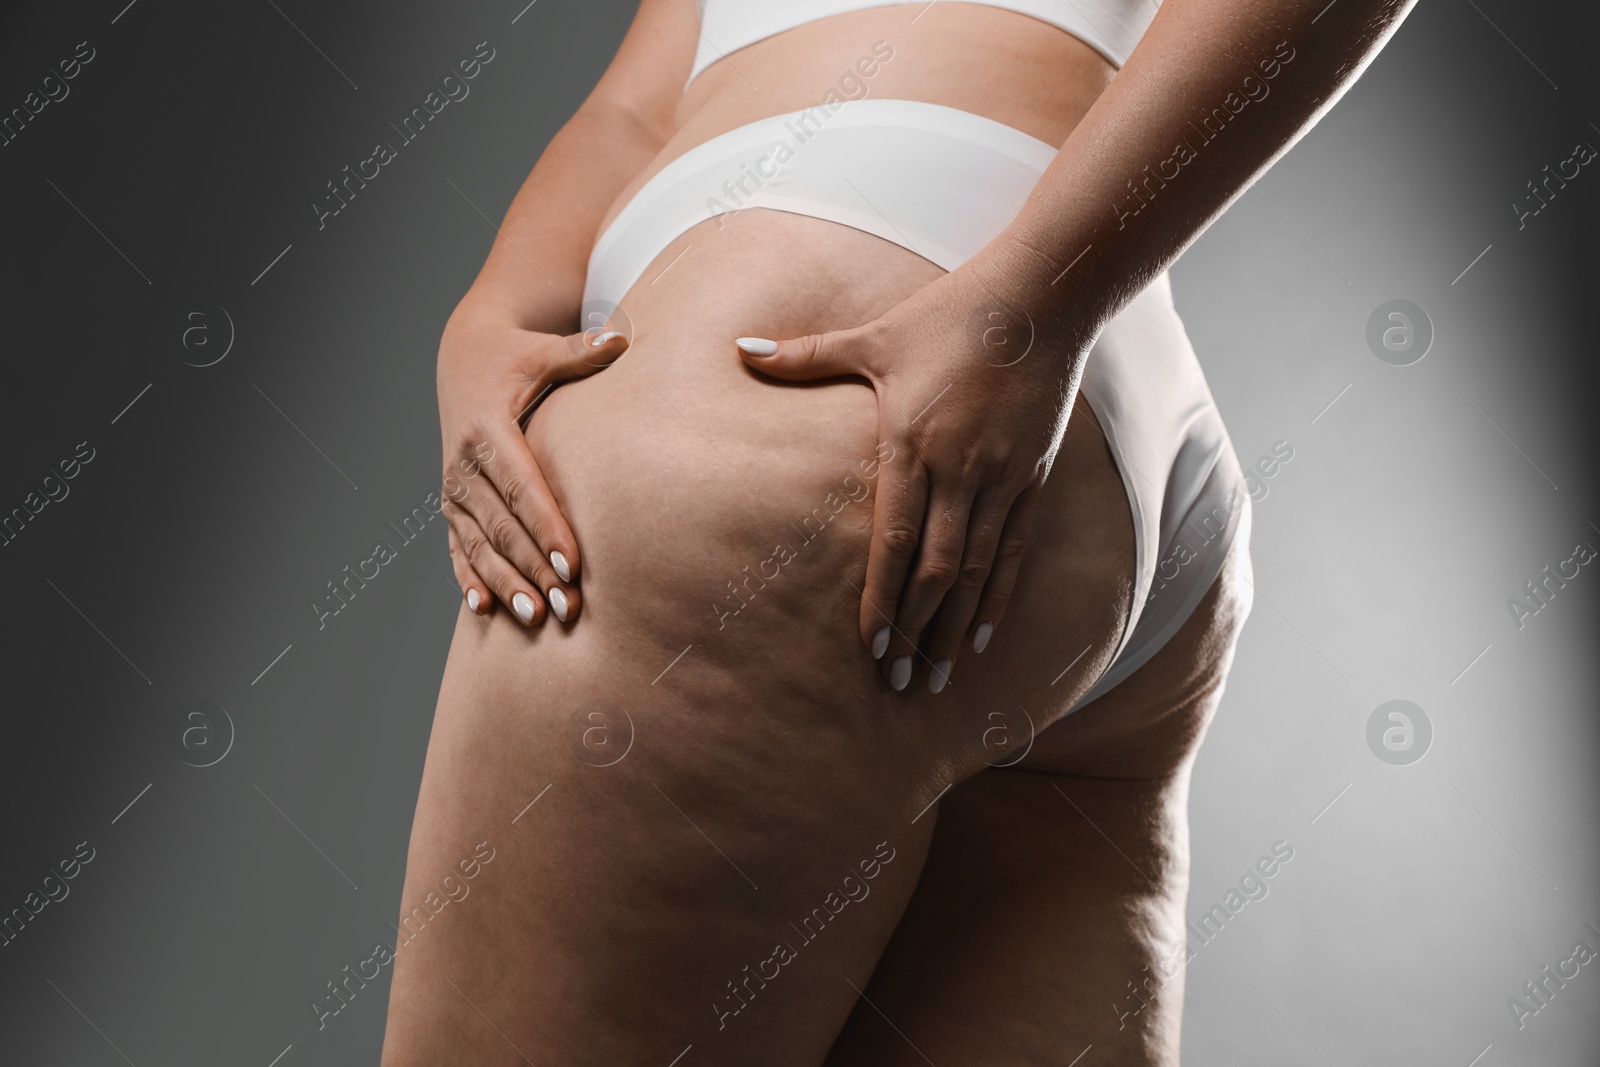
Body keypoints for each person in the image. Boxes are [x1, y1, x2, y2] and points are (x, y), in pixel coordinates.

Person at [382, 1, 1411, 1063]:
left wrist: (1037, 297)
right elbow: (635, 101)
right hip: (1121, 458)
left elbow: (644, 109)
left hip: (806, 378)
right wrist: (496, 309)